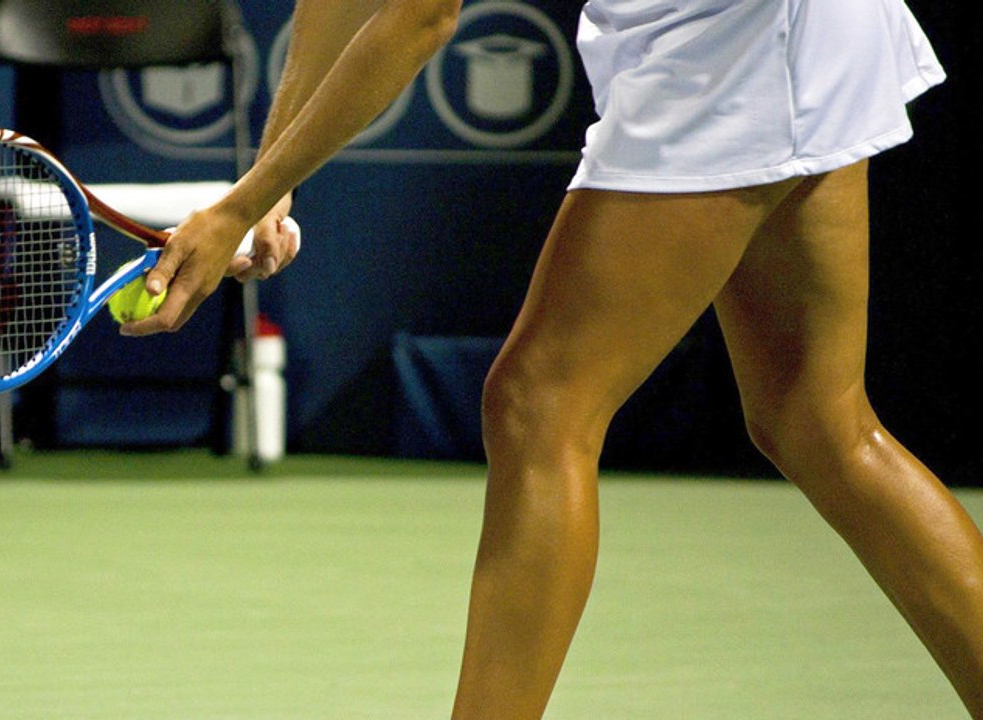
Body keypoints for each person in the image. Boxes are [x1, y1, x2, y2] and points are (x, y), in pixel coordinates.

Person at [123, 0, 983, 716]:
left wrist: (240, 205)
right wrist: (269, 186)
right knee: (819, 424)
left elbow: (419, 13)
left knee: (539, 408)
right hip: (788, 29)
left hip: (736, 40)